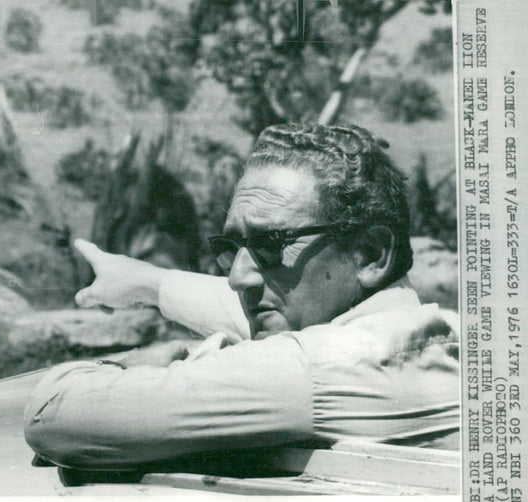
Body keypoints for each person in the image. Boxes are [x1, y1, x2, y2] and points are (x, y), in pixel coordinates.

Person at [23, 123, 459, 470]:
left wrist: (152, 359)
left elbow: (53, 413)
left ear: (370, 254)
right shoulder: (421, 332)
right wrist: (150, 283)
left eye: (271, 245)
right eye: (232, 247)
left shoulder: (320, 368)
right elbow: (251, 303)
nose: (238, 278)